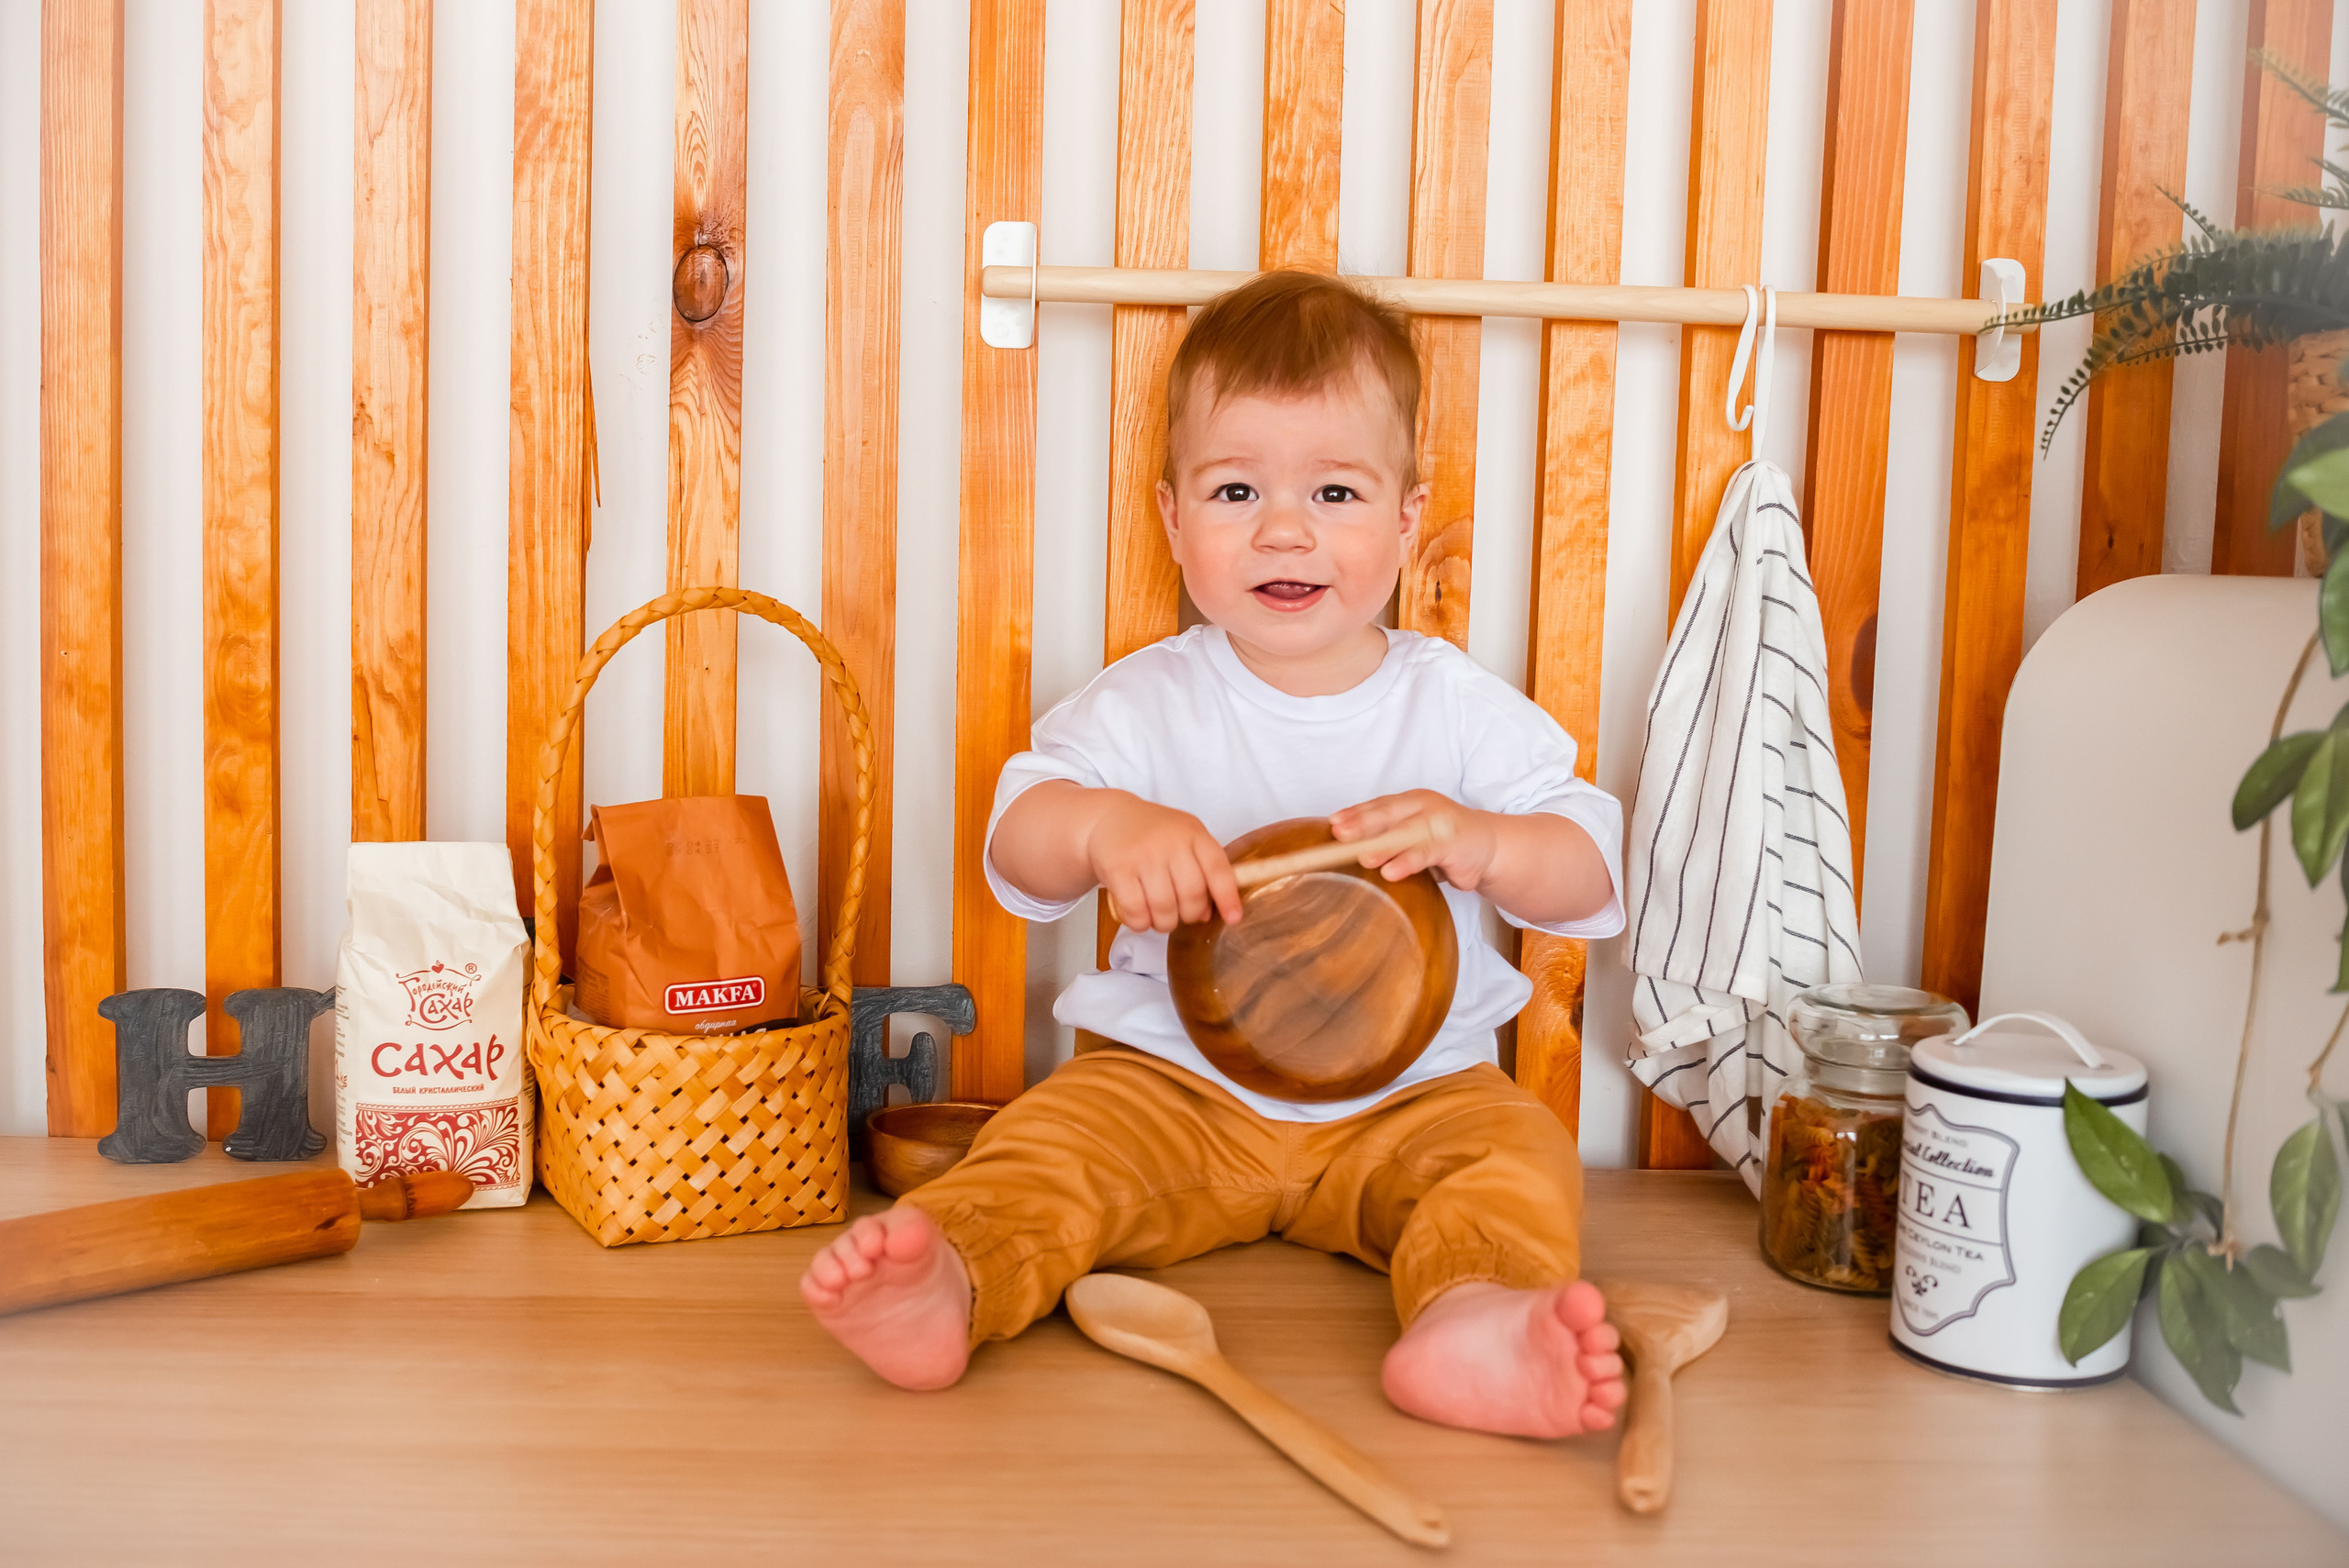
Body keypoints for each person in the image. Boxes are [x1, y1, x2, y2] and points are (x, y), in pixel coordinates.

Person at [801, 271, 1629, 1439]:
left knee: (1517, 1156)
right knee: (1049, 1140)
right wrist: (1102, 829)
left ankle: (1474, 1317)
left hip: (1414, 1095)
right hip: (1172, 1088)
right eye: (1236, 488)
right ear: (1172, 518)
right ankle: (956, 1277)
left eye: (1334, 490)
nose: (1284, 527)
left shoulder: (1455, 710)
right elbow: (1018, 843)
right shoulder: (1148, 701)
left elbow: (1594, 863)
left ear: (1406, 518)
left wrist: (1483, 841)